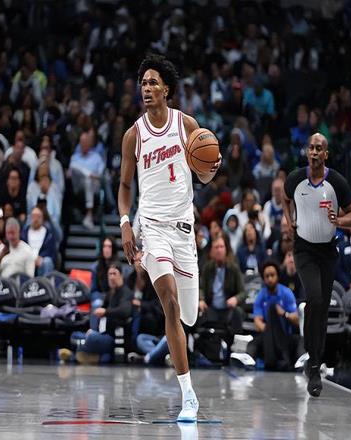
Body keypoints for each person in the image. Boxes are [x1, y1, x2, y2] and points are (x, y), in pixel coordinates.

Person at [118, 54, 221, 423]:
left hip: (184, 231)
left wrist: (212, 166)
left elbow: (206, 176)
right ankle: (188, 395)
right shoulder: (134, 135)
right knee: (170, 302)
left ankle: (181, 347)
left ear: (167, 90)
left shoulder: (186, 124)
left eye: (153, 83)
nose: (146, 88)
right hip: (152, 229)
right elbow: (125, 185)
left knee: (188, 316)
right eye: (143, 83)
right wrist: (125, 223)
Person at [283, 132, 351, 397]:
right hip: (304, 249)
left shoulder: (336, 182)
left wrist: (339, 220)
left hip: (328, 251)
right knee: (314, 298)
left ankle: (315, 360)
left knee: (322, 308)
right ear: (307, 152)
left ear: (326, 154)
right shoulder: (295, 178)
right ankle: (314, 364)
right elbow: (285, 198)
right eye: (311, 148)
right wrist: (289, 221)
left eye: (319, 149)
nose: (314, 152)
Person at [71, 263, 133, 364]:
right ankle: (100, 357)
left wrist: (106, 311)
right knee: (74, 335)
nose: (112, 277)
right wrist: (93, 331)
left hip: (112, 338)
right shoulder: (110, 293)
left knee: (91, 338)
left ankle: (76, 354)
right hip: (101, 334)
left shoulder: (125, 292)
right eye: (110, 274)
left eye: (114, 274)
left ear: (121, 276)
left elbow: (125, 311)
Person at [246, 261, 302, 370]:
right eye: (267, 276)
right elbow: (257, 322)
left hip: (285, 336)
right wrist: (270, 331)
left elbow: (296, 320)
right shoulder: (260, 296)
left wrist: (284, 313)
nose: (270, 279)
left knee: (301, 340)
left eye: (272, 275)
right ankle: (248, 362)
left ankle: (301, 363)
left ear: (277, 276)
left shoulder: (286, 293)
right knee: (253, 343)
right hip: (268, 338)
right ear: (263, 278)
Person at [199, 234, 245, 344]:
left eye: (221, 247)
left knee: (238, 313)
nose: (219, 250)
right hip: (212, 308)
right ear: (212, 251)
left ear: (226, 249)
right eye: (216, 247)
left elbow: (243, 292)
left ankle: (234, 348)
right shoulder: (207, 268)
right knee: (197, 314)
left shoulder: (233, 268)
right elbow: (201, 288)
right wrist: (201, 299)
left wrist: (235, 299)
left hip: (228, 309)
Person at [20, 206, 56, 276]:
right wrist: (31, 258)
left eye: (38, 216)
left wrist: (41, 257)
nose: (36, 219)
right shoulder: (24, 233)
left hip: (41, 260)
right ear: (30, 218)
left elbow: (51, 251)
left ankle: (44, 282)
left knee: (47, 262)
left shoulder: (49, 234)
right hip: (27, 258)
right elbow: (21, 247)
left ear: (42, 218)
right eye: (34, 216)